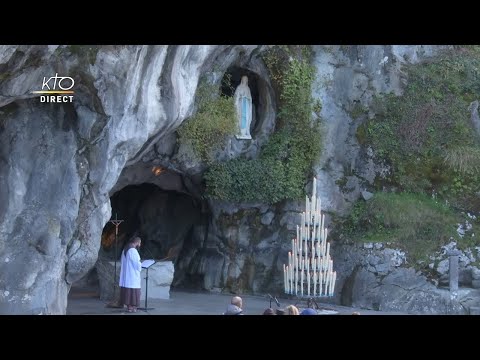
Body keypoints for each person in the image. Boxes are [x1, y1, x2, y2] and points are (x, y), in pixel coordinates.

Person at [119, 236, 142, 313]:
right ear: (138, 242)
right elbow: (136, 264)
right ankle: (133, 308)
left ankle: (129, 307)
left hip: (127, 274)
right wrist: (141, 265)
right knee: (133, 291)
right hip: (132, 275)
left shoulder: (125, 249)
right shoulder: (133, 250)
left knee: (128, 291)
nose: (140, 245)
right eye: (140, 243)